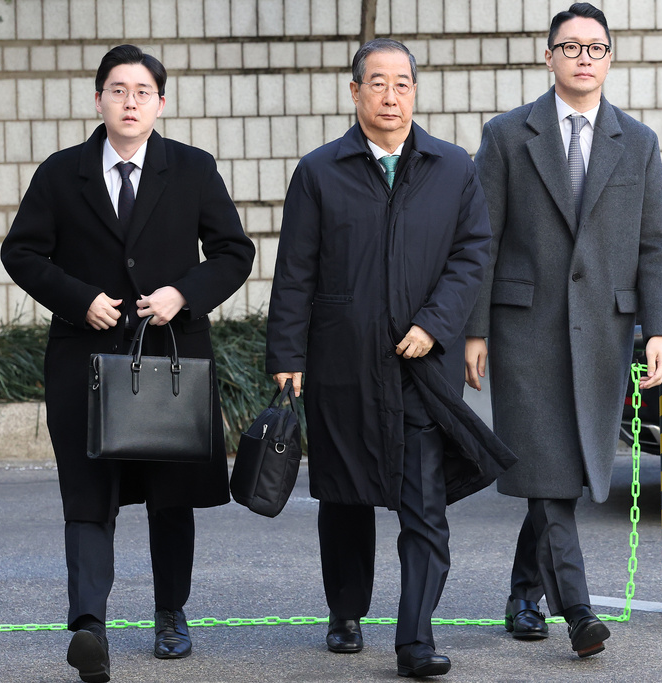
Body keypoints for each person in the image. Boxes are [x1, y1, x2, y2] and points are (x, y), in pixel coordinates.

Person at [0, 45, 254, 683]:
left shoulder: (192, 169)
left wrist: (183, 295)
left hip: (169, 360)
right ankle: (89, 626)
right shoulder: (62, 174)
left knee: (171, 494)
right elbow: (22, 253)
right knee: (89, 497)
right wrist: (78, 299)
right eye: (118, 90)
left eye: (143, 91)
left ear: (160, 103)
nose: (130, 101)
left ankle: (171, 613)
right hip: (84, 362)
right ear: (98, 100)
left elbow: (233, 252)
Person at [265, 38, 514, 678]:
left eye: (402, 83)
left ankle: (415, 640)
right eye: (377, 83)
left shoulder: (453, 167)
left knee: (424, 505)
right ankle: (345, 612)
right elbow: (295, 272)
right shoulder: (320, 171)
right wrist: (287, 354)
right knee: (344, 496)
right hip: (342, 364)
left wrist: (435, 325)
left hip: (420, 369)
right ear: (355, 93)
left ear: (415, 92)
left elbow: (472, 256)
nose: (391, 95)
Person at [464, 3, 662, 659]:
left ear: (609, 58)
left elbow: (654, 246)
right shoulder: (506, 136)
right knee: (547, 465)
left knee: (563, 468)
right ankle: (577, 609)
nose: (584, 57)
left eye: (596, 47)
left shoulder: (637, 142)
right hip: (523, 327)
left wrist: (658, 331)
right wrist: (473, 330)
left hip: (601, 333)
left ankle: (524, 592)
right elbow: (482, 238)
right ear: (547, 55)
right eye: (571, 46)